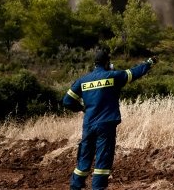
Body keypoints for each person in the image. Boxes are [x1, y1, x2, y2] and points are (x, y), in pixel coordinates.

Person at [62, 49, 157, 190]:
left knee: (84, 158)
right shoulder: (113, 76)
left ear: (95, 63)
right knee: (102, 159)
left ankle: (75, 186)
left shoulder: (83, 81)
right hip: (106, 125)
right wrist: (149, 63)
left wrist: (82, 108)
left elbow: (67, 101)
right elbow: (133, 73)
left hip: (89, 124)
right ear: (107, 62)